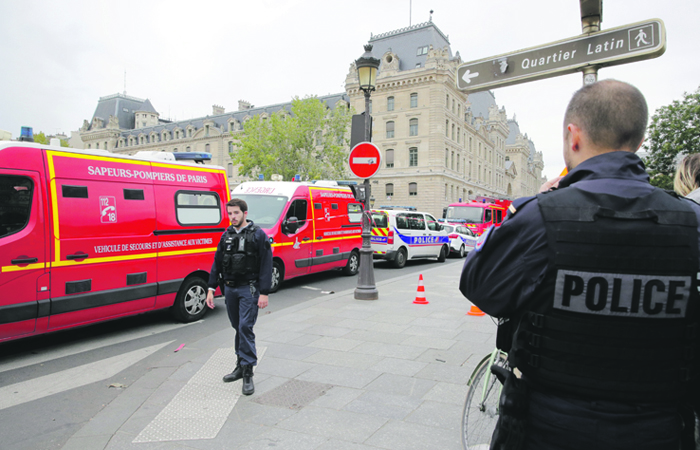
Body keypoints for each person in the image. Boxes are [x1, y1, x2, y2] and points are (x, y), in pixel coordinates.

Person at [460, 79, 700, 450]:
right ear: (637, 141)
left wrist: (526, 208)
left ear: (573, 137)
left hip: (547, 430)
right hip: (659, 431)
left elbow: (479, 285)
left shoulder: (542, 217)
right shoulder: (690, 223)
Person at [206, 198, 272, 395]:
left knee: (245, 326)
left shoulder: (258, 235)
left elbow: (266, 264)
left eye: (236, 213)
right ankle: (240, 365)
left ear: (244, 212)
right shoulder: (225, 235)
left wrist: (264, 292)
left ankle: (248, 371)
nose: (232, 217)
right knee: (238, 327)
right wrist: (211, 288)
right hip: (230, 289)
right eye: (230, 213)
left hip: (249, 289)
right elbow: (217, 262)